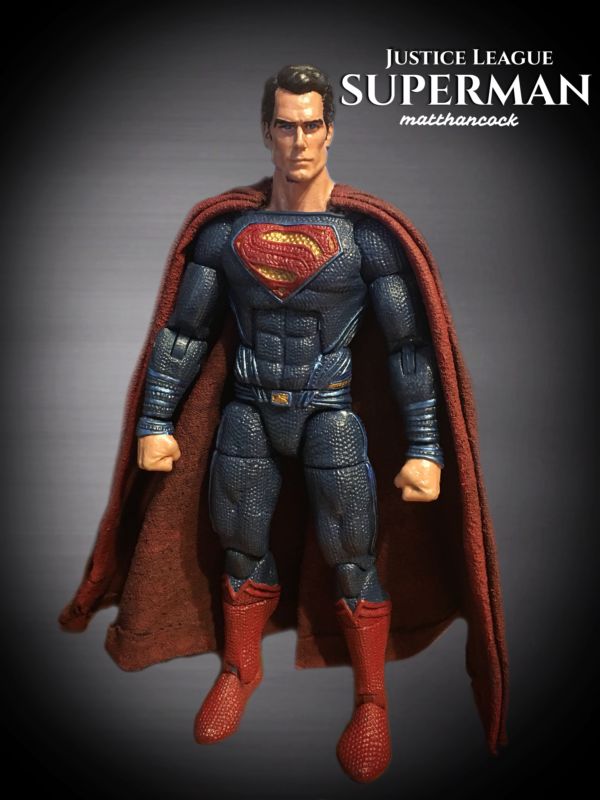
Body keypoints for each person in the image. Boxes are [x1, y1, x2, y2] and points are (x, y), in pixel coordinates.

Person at [59, 64, 508, 785]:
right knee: (240, 545)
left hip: (330, 413)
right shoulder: (226, 234)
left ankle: (371, 701)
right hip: (248, 411)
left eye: (312, 125)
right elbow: (184, 333)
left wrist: (426, 447)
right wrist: (156, 418)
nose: (299, 141)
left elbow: (409, 348)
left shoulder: (366, 239)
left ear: (330, 131)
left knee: (353, 555)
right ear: (267, 131)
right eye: (286, 126)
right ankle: (240, 669)